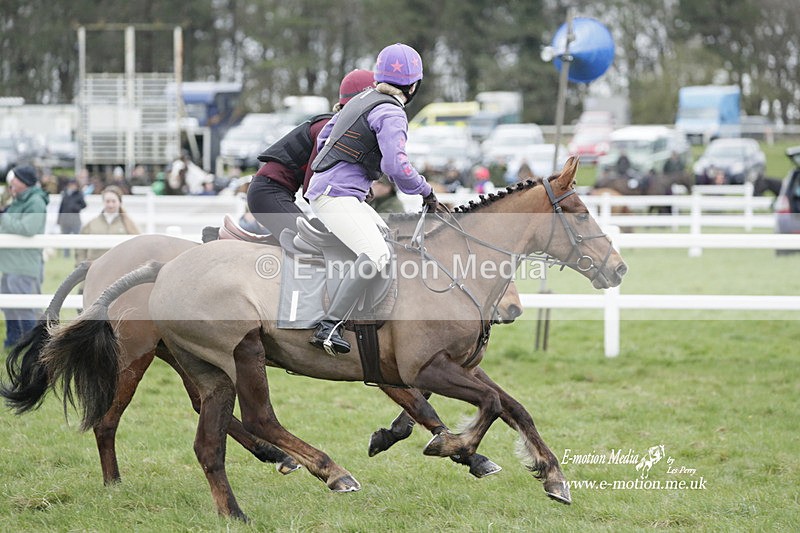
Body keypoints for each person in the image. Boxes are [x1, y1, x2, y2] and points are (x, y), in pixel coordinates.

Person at [306, 42, 438, 355]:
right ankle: (329, 326)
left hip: (336, 192)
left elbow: (326, 138)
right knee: (376, 254)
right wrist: (425, 189)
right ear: (414, 85)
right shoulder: (392, 112)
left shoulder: (364, 98)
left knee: (388, 243)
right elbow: (397, 167)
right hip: (337, 196)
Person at [246, 68, 377, 238]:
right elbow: (313, 187)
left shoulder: (341, 126)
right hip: (268, 192)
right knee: (310, 244)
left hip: (274, 191)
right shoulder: (331, 129)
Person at [0, 165, 49, 349]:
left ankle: (31, 347)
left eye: (15, 179)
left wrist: (3, 216)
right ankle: (13, 342)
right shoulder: (20, 199)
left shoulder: (35, 202)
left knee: (25, 307)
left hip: (22, 264)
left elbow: (28, 229)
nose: (11, 182)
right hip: (10, 264)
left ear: (24, 182)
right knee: (9, 306)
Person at [74, 185, 140, 264]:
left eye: (113, 201)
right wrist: (81, 266)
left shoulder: (129, 225)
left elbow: (137, 248)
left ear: (120, 202)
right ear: (103, 202)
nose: (110, 205)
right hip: (94, 270)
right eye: (107, 201)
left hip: (120, 269)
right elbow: (81, 247)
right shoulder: (92, 224)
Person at [57, 179, 87, 257]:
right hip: (65, 218)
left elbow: (84, 205)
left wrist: (75, 207)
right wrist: (59, 218)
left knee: (76, 237)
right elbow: (61, 206)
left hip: (75, 218)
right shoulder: (65, 193)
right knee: (65, 238)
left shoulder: (79, 194)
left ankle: (78, 254)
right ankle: (66, 255)